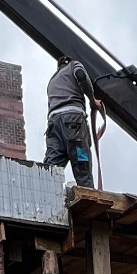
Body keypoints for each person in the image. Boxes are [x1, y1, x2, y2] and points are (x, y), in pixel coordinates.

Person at [43, 56, 96, 187]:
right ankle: (88, 194)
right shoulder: (73, 65)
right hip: (73, 122)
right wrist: (92, 99)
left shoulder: (52, 81)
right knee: (81, 159)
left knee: (51, 166)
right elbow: (81, 75)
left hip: (54, 125)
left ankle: (44, 193)